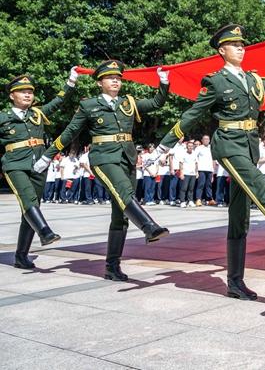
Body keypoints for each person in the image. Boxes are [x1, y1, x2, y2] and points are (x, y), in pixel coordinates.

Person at [156, 25, 265, 300]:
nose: (241, 48)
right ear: (222, 50)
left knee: (239, 217)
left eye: (242, 44)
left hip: (248, 147)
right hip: (228, 145)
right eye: (234, 45)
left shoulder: (254, 80)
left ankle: (235, 283)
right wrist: (166, 142)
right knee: (262, 188)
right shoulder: (215, 81)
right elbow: (193, 114)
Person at [34, 61, 171, 280]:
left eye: (118, 77)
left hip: (127, 158)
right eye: (110, 77)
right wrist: (47, 155)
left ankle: (112, 266)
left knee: (121, 215)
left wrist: (163, 82)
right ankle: (149, 226)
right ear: (100, 82)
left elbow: (156, 102)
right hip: (103, 158)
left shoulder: (129, 102)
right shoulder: (89, 105)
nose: (115, 80)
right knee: (124, 191)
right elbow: (70, 132)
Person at [2, 68, 78, 269]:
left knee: (32, 208)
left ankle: (21, 256)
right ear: (12, 95)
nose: (28, 94)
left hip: (37, 166)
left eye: (30, 91)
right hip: (15, 165)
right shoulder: (3, 116)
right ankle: (45, 232)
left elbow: (59, 101)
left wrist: (70, 81)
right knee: (28, 200)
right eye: (22, 91)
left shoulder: (37, 113)